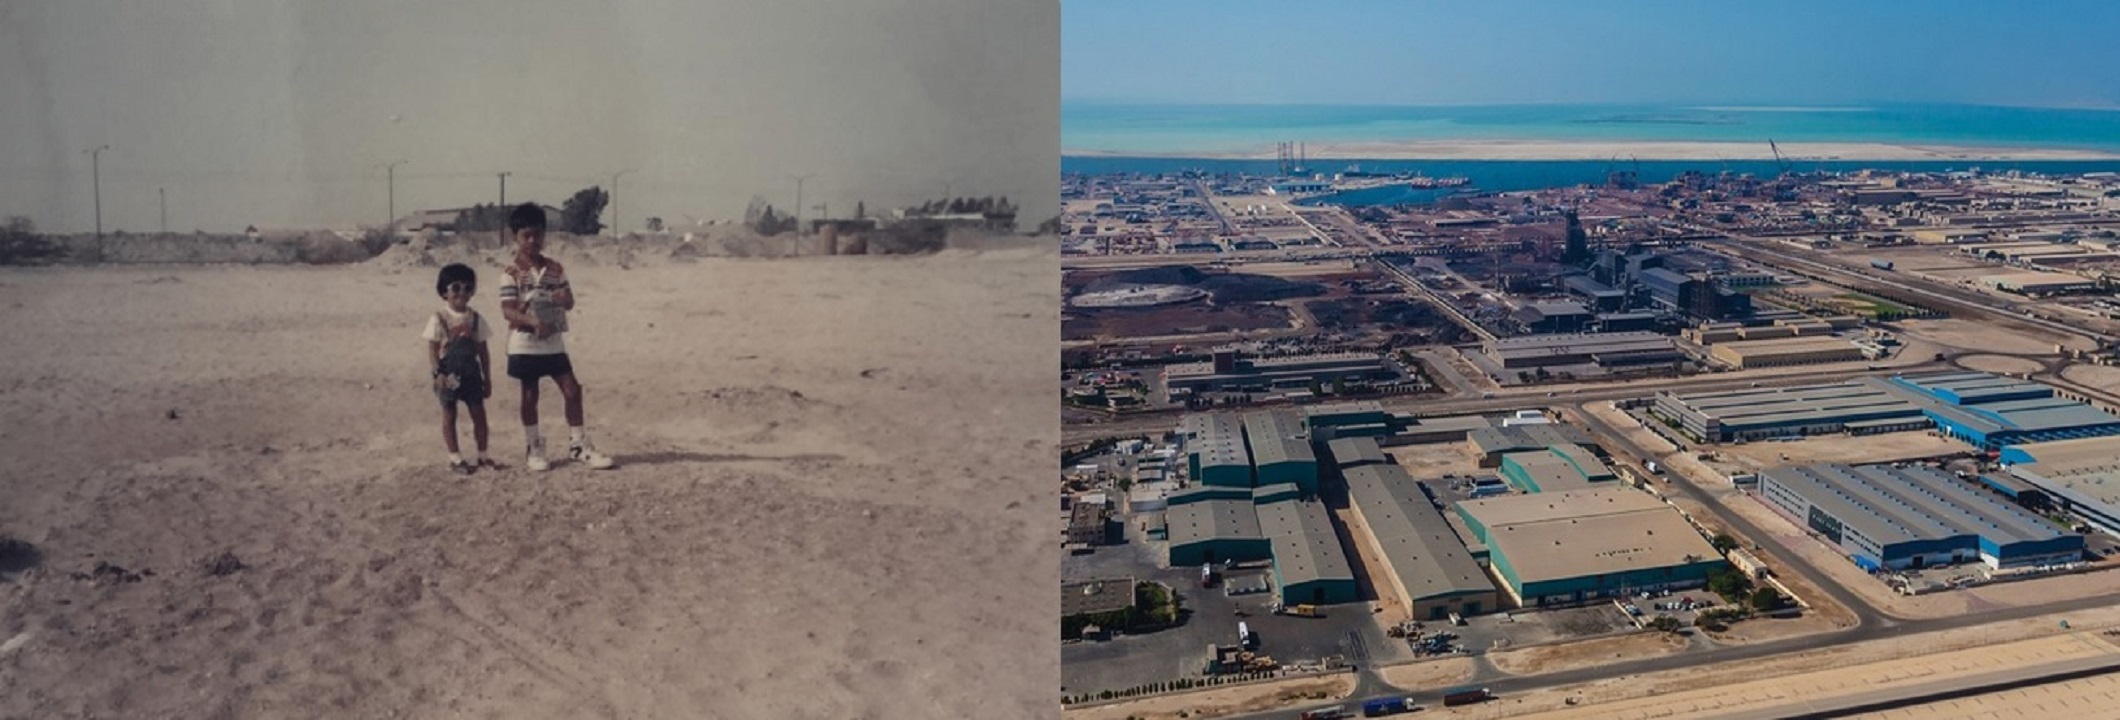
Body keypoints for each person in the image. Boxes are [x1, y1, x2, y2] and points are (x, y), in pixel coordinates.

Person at [498, 202, 616, 471]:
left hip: (553, 342)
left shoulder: (555, 268)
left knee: (572, 390)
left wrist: (564, 299)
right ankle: (534, 447)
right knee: (530, 394)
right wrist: (531, 320)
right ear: (514, 237)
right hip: (525, 343)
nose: (532, 241)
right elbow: (507, 310)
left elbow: (570, 301)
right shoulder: (510, 273)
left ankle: (578, 444)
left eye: (537, 234)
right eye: (526, 235)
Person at [423, 263, 499, 474]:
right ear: (443, 292)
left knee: (479, 414)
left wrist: (488, 378)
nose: (461, 293)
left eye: (467, 288)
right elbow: (432, 349)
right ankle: (455, 458)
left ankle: (483, 456)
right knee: (449, 415)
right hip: (449, 374)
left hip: (472, 374)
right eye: (455, 287)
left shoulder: (475, 319)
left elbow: (483, 351)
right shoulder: (438, 319)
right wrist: (438, 373)